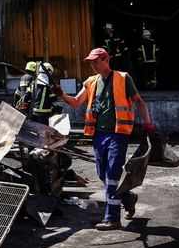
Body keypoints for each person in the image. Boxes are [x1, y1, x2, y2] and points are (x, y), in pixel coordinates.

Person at [52, 47, 155, 231]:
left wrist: (147, 122)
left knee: (113, 175)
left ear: (106, 60)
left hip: (119, 134)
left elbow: (139, 101)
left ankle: (112, 218)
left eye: (95, 61)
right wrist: (61, 95)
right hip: (99, 135)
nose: (92, 65)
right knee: (102, 174)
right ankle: (128, 198)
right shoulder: (91, 82)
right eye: (90, 62)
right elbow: (76, 102)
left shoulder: (123, 78)